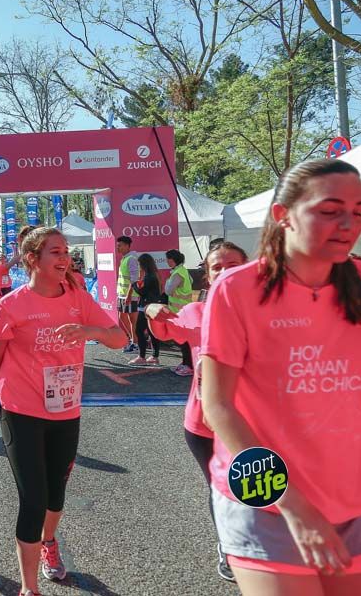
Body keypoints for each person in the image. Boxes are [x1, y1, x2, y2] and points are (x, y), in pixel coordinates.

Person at [202, 158, 361, 594]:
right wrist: (291, 504)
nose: (348, 223)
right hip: (267, 507)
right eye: (329, 210)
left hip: (353, 503)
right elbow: (218, 408)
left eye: (359, 211)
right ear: (282, 215)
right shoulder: (236, 290)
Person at [0, 227, 126, 596]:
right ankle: (29, 588)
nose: (65, 259)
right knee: (33, 498)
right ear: (33, 260)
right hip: (20, 410)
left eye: (66, 252)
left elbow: (121, 339)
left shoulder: (78, 298)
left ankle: (49, 541)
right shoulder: (10, 305)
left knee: (55, 495)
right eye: (56, 252)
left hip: (65, 410)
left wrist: (89, 330)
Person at [145, 241, 248, 582]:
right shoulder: (195, 313)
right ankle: (228, 545)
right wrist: (152, 311)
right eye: (217, 267)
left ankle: (261, 549)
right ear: (207, 276)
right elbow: (163, 330)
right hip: (203, 424)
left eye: (233, 264)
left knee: (258, 487)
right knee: (222, 488)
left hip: (253, 423)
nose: (226, 270)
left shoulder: (264, 313)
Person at [163, 249, 194, 376]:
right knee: (182, 340)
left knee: (184, 340)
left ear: (172, 259)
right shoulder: (182, 270)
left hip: (180, 311)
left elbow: (168, 291)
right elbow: (190, 282)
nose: (166, 261)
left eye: (167, 259)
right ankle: (185, 363)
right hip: (182, 310)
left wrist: (166, 282)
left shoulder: (177, 273)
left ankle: (189, 365)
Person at [128, 253, 162, 366]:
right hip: (151, 306)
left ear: (144, 264)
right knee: (152, 332)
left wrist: (134, 285)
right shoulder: (153, 275)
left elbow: (142, 292)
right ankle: (154, 356)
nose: (139, 266)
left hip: (146, 307)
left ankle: (142, 356)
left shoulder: (149, 276)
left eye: (139, 264)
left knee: (139, 331)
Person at [116, 236, 141, 353]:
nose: (118, 247)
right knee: (122, 317)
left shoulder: (131, 259)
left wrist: (129, 295)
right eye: (118, 245)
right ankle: (133, 340)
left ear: (127, 245)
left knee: (132, 320)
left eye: (120, 245)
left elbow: (134, 279)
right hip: (122, 294)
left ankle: (136, 344)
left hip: (130, 295)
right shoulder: (124, 258)